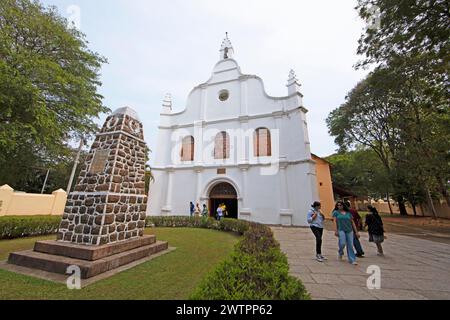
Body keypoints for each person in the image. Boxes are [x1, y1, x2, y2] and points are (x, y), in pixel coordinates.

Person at [332, 201, 360, 265]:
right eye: (338, 205)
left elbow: (352, 222)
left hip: (349, 230)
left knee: (350, 244)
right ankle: (340, 252)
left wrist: (356, 232)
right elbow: (335, 222)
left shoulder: (348, 213)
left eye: (340, 205)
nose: (339, 206)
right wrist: (336, 230)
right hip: (341, 230)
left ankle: (352, 259)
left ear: (343, 205)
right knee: (342, 243)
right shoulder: (335, 213)